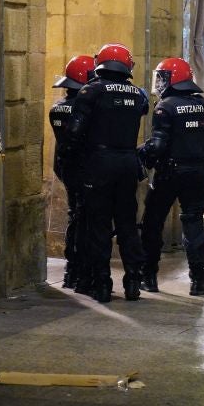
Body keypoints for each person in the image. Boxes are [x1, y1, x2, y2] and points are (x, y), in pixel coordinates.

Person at [66, 43, 149, 303]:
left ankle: (102, 284)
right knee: (127, 224)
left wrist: (74, 160)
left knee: (98, 225)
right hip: (127, 162)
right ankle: (133, 281)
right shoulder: (139, 94)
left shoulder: (91, 91)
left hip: (99, 163)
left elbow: (74, 133)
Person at [138, 57, 204, 296]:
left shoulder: (165, 107)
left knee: (153, 222)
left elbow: (158, 146)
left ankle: (149, 276)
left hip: (169, 174)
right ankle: (199, 280)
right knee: (194, 223)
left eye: (162, 77)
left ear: (173, 79)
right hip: (196, 173)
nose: (159, 83)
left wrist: (143, 154)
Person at [49, 55, 96, 291]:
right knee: (88, 220)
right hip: (87, 169)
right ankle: (84, 273)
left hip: (66, 169)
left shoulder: (56, 109)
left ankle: (71, 272)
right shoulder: (87, 109)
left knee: (74, 217)